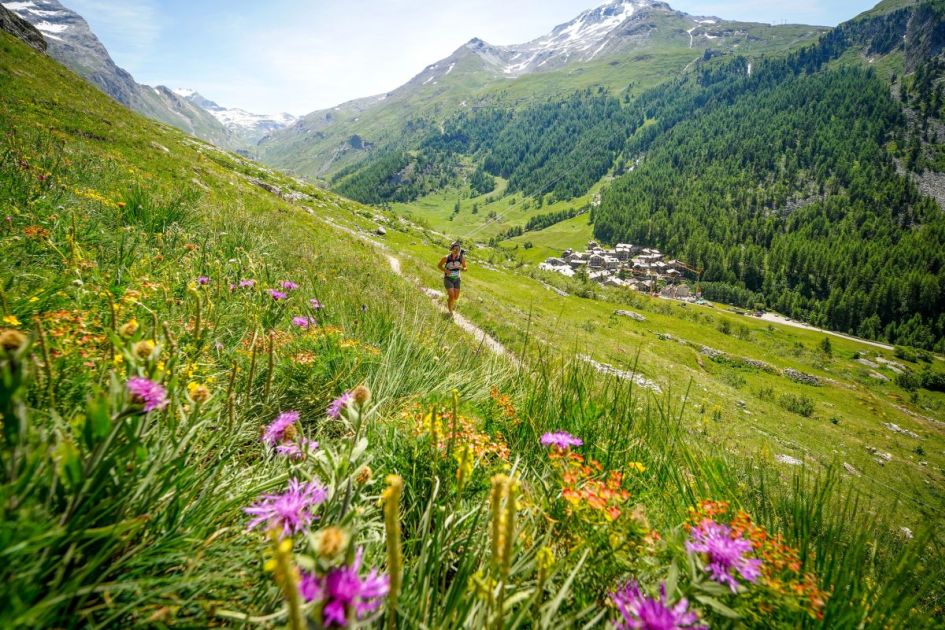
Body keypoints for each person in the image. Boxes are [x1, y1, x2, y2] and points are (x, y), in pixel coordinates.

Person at [438, 241, 467, 315]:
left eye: (458, 249)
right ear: (452, 249)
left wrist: (462, 269)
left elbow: (465, 267)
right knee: (452, 295)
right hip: (448, 279)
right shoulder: (446, 258)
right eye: (455, 249)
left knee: (456, 297)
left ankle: (449, 301)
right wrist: (446, 270)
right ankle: (450, 311)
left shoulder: (461, 258)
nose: (457, 251)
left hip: (457, 279)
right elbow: (439, 265)